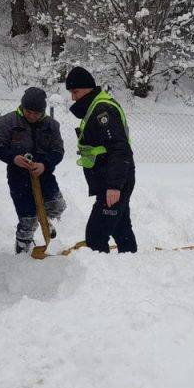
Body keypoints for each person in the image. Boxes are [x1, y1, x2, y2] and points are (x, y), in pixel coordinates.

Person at [65, 67, 137, 253]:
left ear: (88, 88)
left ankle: (100, 277)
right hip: (111, 179)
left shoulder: (102, 111)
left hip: (114, 182)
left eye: (76, 92)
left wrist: (114, 186)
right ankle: (131, 266)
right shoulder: (95, 107)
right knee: (121, 229)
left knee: (96, 235)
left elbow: (119, 149)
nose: (73, 98)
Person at [0, 87, 66, 254]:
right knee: (27, 219)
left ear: (43, 111)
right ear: (22, 107)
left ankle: (43, 217)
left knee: (57, 206)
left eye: (36, 113)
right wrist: (13, 158)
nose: (32, 116)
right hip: (18, 176)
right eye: (28, 111)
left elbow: (58, 151)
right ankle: (23, 251)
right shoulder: (6, 122)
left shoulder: (52, 125)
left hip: (44, 174)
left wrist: (45, 164)